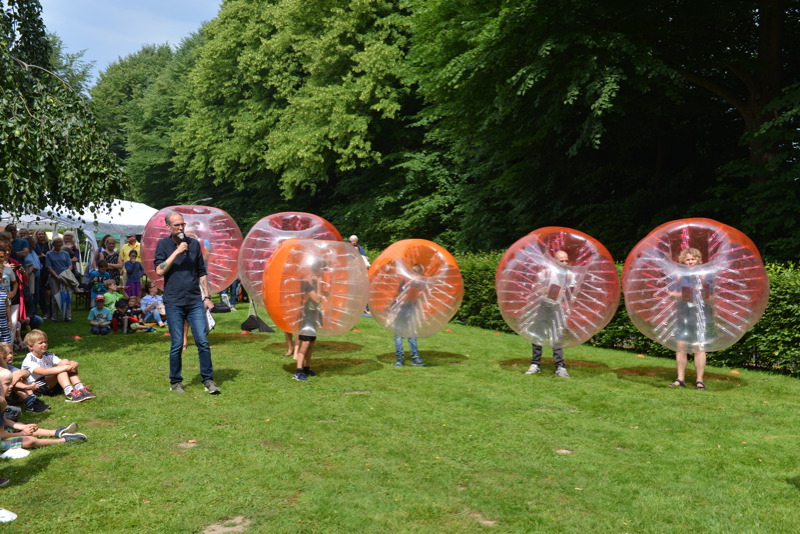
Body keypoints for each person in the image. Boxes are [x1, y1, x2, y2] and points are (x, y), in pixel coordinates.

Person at [155, 212, 219, 395]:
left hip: (194, 301)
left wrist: (206, 297)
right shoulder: (163, 245)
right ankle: (175, 382)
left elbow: (201, 271)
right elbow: (159, 271)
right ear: (168, 227)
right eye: (176, 225)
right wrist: (176, 252)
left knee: (202, 341)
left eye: (182, 224)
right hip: (174, 301)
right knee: (177, 344)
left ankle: (208, 379)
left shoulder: (194, 244)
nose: (181, 228)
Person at [668, 247, 713, 390]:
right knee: (680, 347)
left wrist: (701, 295)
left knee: (698, 348)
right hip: (682, 314)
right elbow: (670, 294)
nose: (690, 262)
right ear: (682, 261)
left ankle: (699, 380)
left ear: (698, 260)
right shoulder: (678, 275)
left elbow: (712, 297)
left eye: (693, 259)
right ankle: (680, 379)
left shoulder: (706, 276)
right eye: (687, 259)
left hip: (700, 315)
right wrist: (681, 295)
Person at [525, 250, 573, 378]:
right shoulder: (545, 273)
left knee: (557, 335)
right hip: (544, 304)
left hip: (558, 306)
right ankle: (535, 364)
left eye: (566, 260)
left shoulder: (569, 275)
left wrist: (566, 292)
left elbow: (570, 294)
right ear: (554, 261)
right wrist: (545, 290)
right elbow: (536, 289)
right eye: (561, 260)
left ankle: (560, 366)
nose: (564, 263)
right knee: (538, 334)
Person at [21, 329, 96, 402]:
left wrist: (74, 363)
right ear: (30, 346)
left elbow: (64, 362)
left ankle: (80, 388)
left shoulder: (48, 355)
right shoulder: (29, 360)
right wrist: (67, 367)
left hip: (50, 384)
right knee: (61, 369)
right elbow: (44, 372)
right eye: (41, 343)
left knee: (65, 361)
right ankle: (69, 393)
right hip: (37, 387)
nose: (44, 344)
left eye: (45, 342)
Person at [293, 260, 326, 381]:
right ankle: (298, 371)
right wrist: (319, 284)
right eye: (322, 270)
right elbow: (317, 299)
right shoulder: (308, 283)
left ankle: (307, 368)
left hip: (314, 315)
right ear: (317, 271)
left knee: (311, 343)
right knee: (305, 343)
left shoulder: (313, 282)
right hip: (307, 315)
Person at [391, 264, 426, 367]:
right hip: (410, 309)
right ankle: (415, 359)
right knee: (411, 335)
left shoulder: (405, 280)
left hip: (401, 308)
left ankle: (399, 360)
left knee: (399, 335)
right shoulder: (421, 283)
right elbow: (421, 296)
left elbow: (397, 292)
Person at [0, 342, 50, 413]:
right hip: (4, 395)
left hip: (11, 394)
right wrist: (26, 387)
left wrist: (20, 374)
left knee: (17, 375)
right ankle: (31, 401)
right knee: (13, 377)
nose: (10, 356)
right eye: (4, 357)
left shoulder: (8, 367)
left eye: (11, 353)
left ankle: (32, 399)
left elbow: (27, 372)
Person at [45, 237, 73, 322]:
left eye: (60, 242)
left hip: (65, 276)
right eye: (56, 242)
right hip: (54, 277)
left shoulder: (65, 253)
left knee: (67, 296)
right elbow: (49, 267)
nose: (58, 244)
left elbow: (70, 265)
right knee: (55, 297)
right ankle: (54, 317)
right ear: (53, 244)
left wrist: (66, 274)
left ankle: (68, 316)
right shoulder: (49, 254)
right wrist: (57, 276)